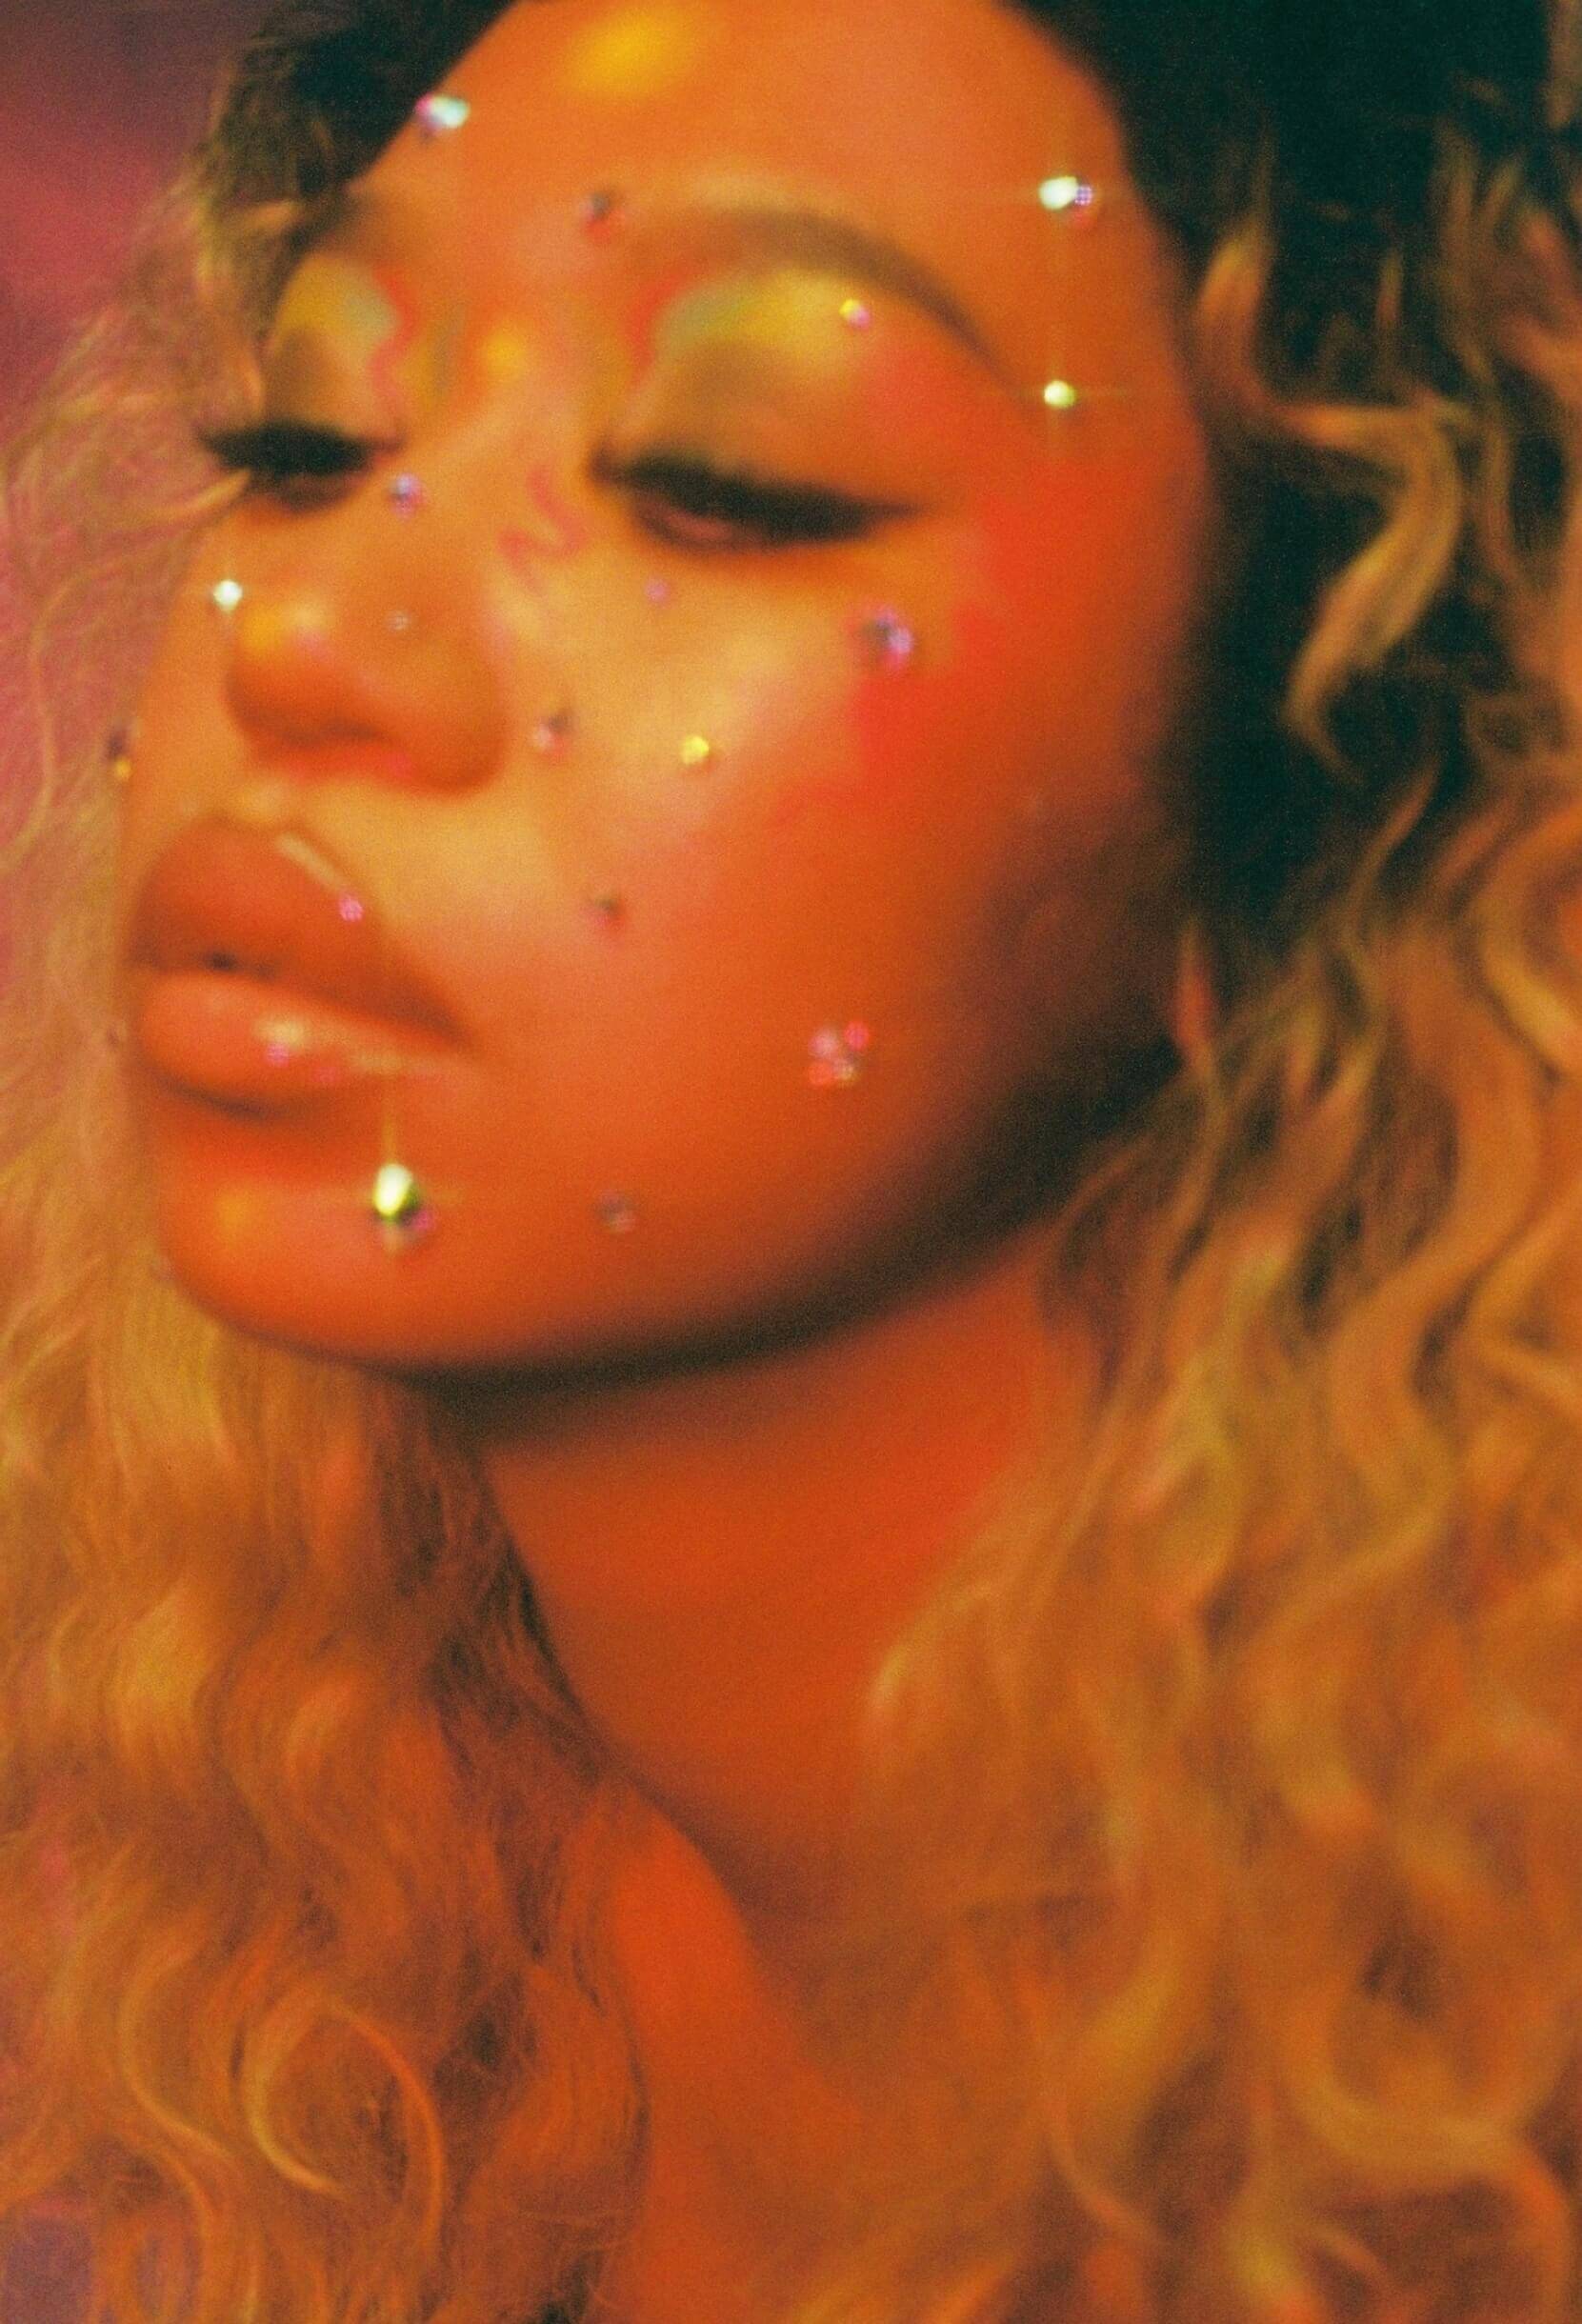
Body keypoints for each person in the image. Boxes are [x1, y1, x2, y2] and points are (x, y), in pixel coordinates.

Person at [3, 0, 1582, 2316]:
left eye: (724, 481)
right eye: (311, 439)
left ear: (1315, 791)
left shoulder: (1482, 2145)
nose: (313, 635)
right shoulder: (419, 1947)